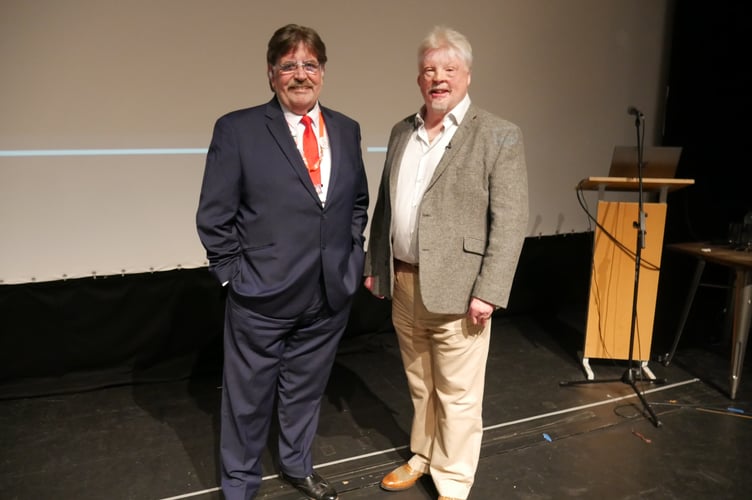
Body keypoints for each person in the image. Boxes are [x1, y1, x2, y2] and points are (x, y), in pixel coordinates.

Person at [196, 24, 369, 500]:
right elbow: (214, 215)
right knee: (246, 401)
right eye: (289, 65)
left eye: (309, 64)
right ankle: (240, 485)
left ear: (323, 72)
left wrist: (351, 257)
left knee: (305, 393)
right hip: (261, 294)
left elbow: (356, 203)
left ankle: (297, 465)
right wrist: (234, 277)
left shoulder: (347, 129)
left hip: (329, 292)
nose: (300, 74)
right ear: (271, 75)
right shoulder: (238, 129)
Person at [363, 26, 529, 500]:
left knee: (458, 395)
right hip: (406, 282)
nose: (438, 78)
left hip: (462, 292)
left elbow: (511, 220)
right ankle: (424, 455)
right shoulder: (402, 131)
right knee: (421, 384)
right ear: (419, 80)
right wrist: (377, 263)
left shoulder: (499, 135)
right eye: (429, 70)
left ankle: (453, 485)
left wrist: (490, 290)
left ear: (467, 75)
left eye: (448, 69)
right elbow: (386, 206)